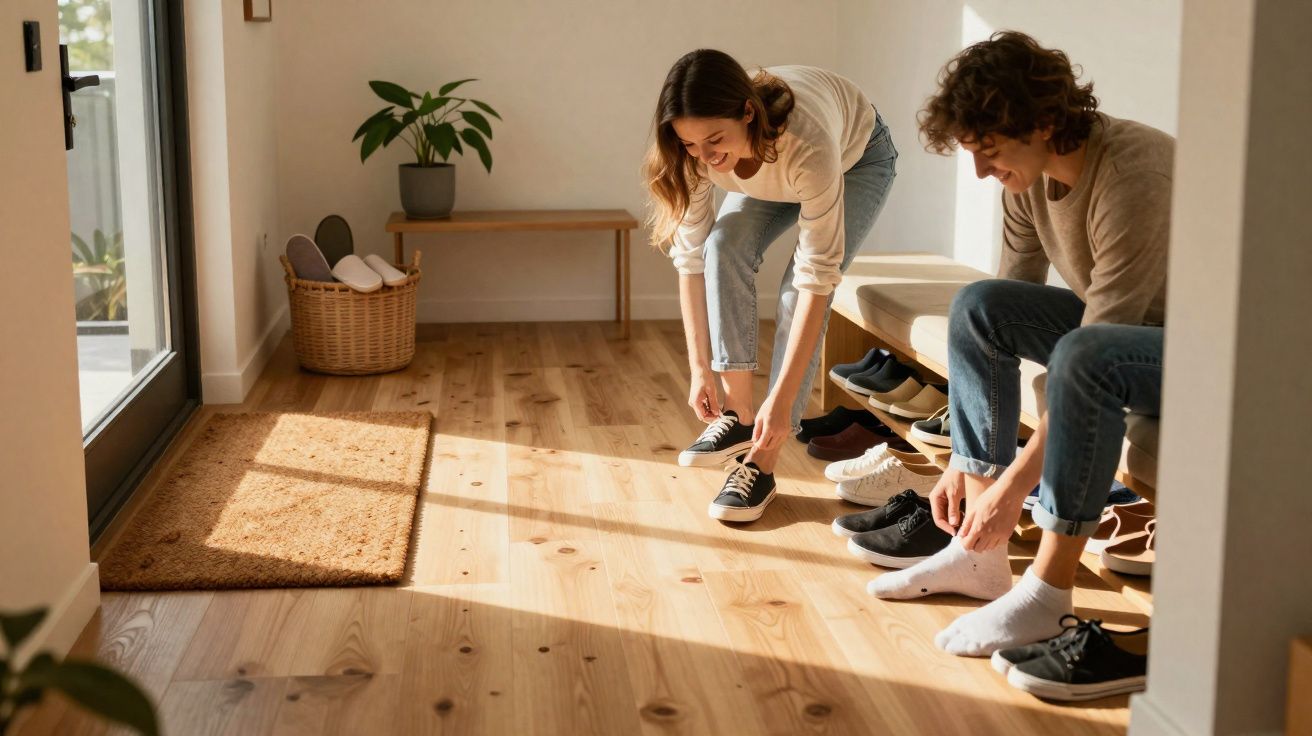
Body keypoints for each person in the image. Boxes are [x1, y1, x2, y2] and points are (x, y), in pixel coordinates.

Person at [866, 31, 1172, 658]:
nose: (980, 170)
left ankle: (1048, 596)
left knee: (1083, 357)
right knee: (980, 307)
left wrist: (1013, 487)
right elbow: (1007, 300)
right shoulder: (1025, 182)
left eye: (990, 149)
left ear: (1045, 120)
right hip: (1122, 337)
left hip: (1213, 352)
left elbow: (1097, 343)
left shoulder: (1134, 171)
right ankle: (979, 559)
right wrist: (966, 460)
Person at [643, 49, 897, 522]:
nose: (706, 156)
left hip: (854, 159)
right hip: (769, 173)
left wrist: (780, 405)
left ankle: (762, 461)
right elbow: (691, 259)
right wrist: (700, 369)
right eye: (691, 145)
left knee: (794, 290)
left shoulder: (809, 143)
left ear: (747, 113)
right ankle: (738, 418)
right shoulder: (697, 152)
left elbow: (816, 280)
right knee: (723, 245)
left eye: (715, 139)